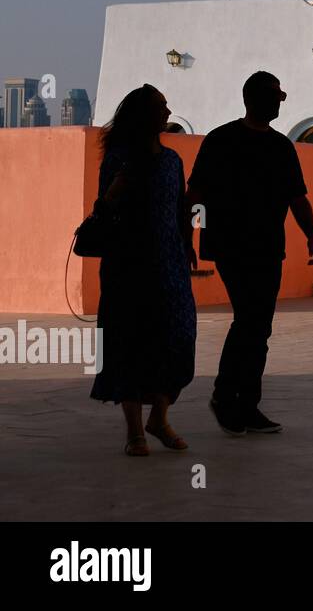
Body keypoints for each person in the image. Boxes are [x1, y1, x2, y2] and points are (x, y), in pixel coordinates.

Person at [187, 71, 313, 437]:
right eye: (277, 94)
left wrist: (311, 234)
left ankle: (246, 404)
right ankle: (225, 398)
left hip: (266, 249)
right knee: (249, 321)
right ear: (257, 98)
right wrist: (188, 236)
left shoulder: (281, 147)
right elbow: (195, 192)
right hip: (231, 247)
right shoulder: (221, 140)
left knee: (258, 326)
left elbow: (297, 197)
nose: (282, 100)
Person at [90, 84, 197, 456]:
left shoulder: (172, 161)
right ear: (143, 115)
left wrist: (188, 245)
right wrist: (116, 189)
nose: (167, 113)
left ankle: (160, 417)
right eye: (160, 107)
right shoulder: (118, 159)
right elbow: (103, 210)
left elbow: (181, 207)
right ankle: (135, 430)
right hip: (127, 267)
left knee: (177, 340)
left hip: (170, 267)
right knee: (129, 344)